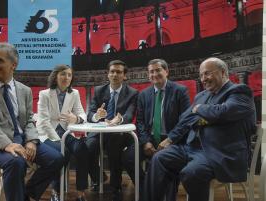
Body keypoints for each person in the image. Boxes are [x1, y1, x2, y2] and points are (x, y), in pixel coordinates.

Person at [144, 57, 256, 201]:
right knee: (159, 158)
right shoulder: (202, 95)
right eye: (201, 75)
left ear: (222, 72)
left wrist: (199, 109)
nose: (204, 79)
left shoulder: (239, 91)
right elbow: (185, 119)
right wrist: (172, 138)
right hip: (191, 147)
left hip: (219, 152)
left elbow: (224, 111)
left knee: (192, 173)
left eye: (207, 73)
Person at [0, 42, 64, 201]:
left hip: (21, 140)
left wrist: (32, 141)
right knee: (16, 163)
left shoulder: (25, 90)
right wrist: (7, 144)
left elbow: (28, 120)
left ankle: (26, 194)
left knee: (56, 159)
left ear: (13, 64)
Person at [122, 58, 190, 200]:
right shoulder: (143, 94)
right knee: (128, 158)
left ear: (166, 71)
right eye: (151, 71)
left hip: (172, 138)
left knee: (165, 162)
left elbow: (185, 121)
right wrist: (145, 142)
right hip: (150, 138)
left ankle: (164, 194)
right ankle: (145, 188)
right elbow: (140, 122)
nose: (154, 74)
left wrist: (170, 140)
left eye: (158, 70)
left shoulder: (180, 91)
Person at [86, 60, 138, 201]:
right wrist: (97, 115)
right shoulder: (98, 90)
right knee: (87, 148)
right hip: (99, 131)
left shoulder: (132, 93)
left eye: (119, 72)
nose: (115, 74)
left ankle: (116, 186)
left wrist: (119, 120)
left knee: (115, 146)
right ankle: (99, 178)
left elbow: (130, 114)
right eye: (112, 71)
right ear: (107, 74)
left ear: (124, 76)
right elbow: (89, 114)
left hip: (119, 132)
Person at [36, 64, 88, 201]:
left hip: (66, 133)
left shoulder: (74, 93)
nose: (67, 77)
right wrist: (57, 140)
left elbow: (82, 113)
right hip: (47, 134)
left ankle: (81, 191)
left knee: (82, 148)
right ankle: (55, 191)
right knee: (61, 152)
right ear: (55, 76)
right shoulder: (44, 94)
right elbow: (44, 121)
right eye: (63, 74)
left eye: (69, 75)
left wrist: (76, 118)